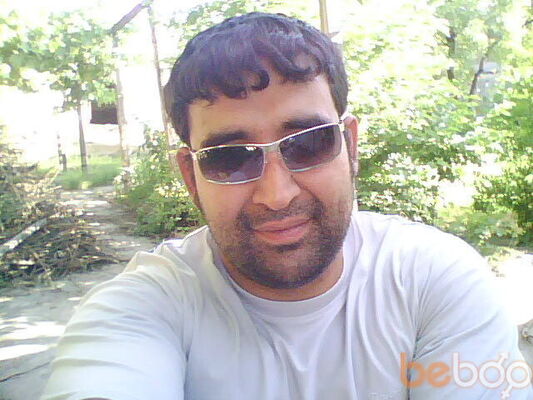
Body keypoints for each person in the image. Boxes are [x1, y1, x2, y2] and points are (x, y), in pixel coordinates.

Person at [42, 12, 532, 400]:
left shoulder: (432, 281)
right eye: (229, 158)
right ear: (191, 177)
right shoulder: (144, 307)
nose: (276, 194)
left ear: (350, 147)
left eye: (309, 143)